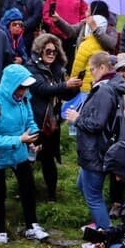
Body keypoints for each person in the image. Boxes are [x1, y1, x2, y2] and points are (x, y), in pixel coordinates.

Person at [0, 64, 48, 244]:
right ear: (11, 85)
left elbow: (30, 121)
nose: (24, 91)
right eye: (21, 87)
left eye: (26, 88)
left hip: (20, 150)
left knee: (28, 188)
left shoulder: (24, 98)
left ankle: (32, 225)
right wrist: (20, 140)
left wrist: (34, 139)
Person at [67, 52, 125, 231]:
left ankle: (105, 235)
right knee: (83, 185)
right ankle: (99, 221)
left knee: (93, 196)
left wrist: (77, 118)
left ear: (102, 68)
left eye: (92, 69)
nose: (91, 73)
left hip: (96, 150)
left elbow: (96, 124)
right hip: (99, 149)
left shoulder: (103, 90)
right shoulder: (112, 86)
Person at [26, 33, 77, 202]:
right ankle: (28, 195)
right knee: (28, 161)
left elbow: (66, 96)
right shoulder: (31, 68)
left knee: (49, 160)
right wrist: (65, 85)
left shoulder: (58, 70)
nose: (51, 54)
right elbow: (41, 89)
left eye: (54, 52)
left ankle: (52, 196)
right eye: (48, 50)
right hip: (35, 121)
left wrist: (73, 87)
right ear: (40, 51)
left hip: (51, 123)